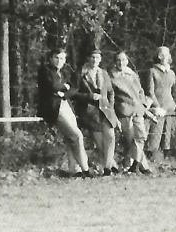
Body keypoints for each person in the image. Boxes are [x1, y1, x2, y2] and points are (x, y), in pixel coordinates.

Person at [36, 47, 91, 176]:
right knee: (76, 135)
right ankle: (86, 170)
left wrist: (64, 93)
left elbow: (74, 88)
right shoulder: (45, 71)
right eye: (56, 57)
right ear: (51, 58)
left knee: (71, 138)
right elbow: (53, 86)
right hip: (53, 108)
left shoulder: (65, 72)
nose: (59, 61)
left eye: (62, 58)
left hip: (65, 104)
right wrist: (65, 86)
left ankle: (75, 169)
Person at [73, 49, 119, 175]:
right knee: (100, 142)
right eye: (92, 57)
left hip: (106, 110)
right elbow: (74, 93)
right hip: (90, 112)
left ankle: (108, 168)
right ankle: (110, 166)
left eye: (97, 57)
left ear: (101, 59)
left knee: (110, 137)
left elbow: (110, 92)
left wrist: (110, 106)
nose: (95, 60)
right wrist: (89, 96)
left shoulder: (103, 73)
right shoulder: (81, 73)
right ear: (88, 58)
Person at [110, 50, 153, 174]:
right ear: (115, 62)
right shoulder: (112, 77)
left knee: (141, 137)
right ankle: (134, 166)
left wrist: (143, 105)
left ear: (127, 61)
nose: (121, 63)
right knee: (130, 140)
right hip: (124, 111)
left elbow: (140, 91)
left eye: (123, 60)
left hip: (138, 110)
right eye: (118, 60)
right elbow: (111, 96)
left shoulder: (132, 74)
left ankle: (135, 165)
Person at [143, 46, 176, 163]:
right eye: (161, 54)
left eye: (166, 54)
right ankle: (150, 162)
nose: (164, 57)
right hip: (158, 110)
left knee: (167, 140)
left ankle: (165, 163)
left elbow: (174, 92)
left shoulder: (172, 73)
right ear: (158, 56)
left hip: (170, 110)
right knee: (154, 139)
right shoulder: (152, 71)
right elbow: (150, 92)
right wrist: (157, 107)